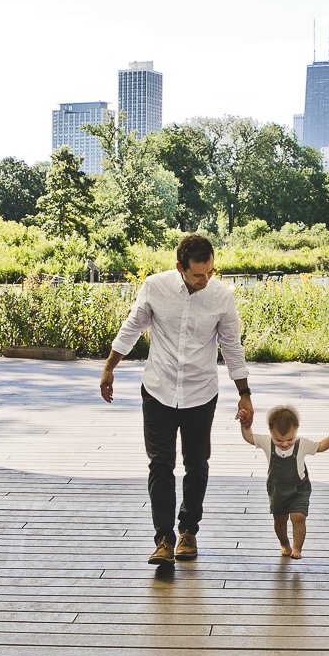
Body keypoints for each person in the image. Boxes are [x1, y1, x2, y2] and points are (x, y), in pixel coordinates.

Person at [100, 234, 252, 566]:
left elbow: (232, 346)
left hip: (201, 392)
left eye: (210, 271)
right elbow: (131, 327)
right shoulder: (155, 287)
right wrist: (110, 367)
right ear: (180, 267)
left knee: (197, 465)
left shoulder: (222, 297)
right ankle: (164, 540)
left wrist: (244, 394)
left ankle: (188, 532)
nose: (206, 279)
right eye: (198, 274)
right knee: (160, 465)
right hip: (159, 389)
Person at [241, 404, 329, 559]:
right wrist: (245, 425)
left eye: (289, 439)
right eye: (279, 440)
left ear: (296, 430)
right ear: (271, 431)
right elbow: (249, 437)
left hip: (299, 489)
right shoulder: (266, 442)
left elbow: (320, 447)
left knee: (299, 517)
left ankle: (297, 548)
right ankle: (284, 543)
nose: (284, 444)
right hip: (277, 490)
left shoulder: (301, 444)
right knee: (280, 520)